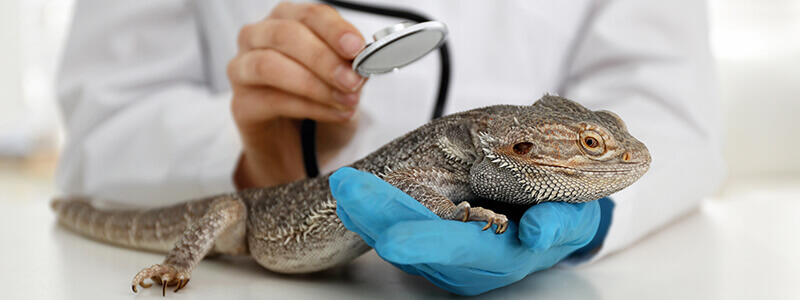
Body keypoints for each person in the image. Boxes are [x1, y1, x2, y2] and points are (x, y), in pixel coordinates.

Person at [56, 0, 725, 295]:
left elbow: (669, 104)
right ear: (519, 145)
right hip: (258, 226)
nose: (599, 149)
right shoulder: (443, 164)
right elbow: (113, 103)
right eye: (586, 143)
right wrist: (254, 153)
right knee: (224, 214)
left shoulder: (485, 157)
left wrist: (592, 216)